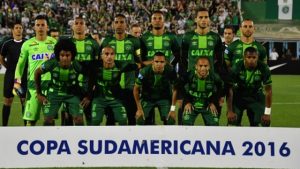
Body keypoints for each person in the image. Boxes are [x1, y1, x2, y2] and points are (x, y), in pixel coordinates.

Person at [181, 7, 225, 125]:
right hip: (190, 85)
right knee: (184, 126)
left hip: (211, 87)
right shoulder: (187, 37)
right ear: (196, 19)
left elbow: (220, 63)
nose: (204, 20)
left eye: (206, 17)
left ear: (209, 19)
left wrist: (220, 94)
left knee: (213, 127)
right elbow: (182, 61)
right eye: (201, 17)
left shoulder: (215, 38)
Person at [34, 39, 90, 126]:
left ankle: (78, 139)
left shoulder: (76, 65)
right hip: (54, 93)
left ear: (72, 56)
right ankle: (50, 139)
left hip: (72, 94)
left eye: (67, 55)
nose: (64, 58)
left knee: (78, 120)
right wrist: (39, 93)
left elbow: (89, 75)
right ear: (58, 55)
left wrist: (87, 95)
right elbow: (37, 72)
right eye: (62, 55)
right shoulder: (52, 63)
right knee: (48, 120)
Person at [14, 15, 57, 126]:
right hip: (33, 86)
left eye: (43, 25)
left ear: (47, 27)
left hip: (51, 86)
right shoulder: (27, 44)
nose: (40, 27)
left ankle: (49, 142)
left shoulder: (54, 43)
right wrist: (17, 82)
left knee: (50, 120)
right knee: (30, 121)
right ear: (34, 27)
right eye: (38, 25)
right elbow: (20, 65)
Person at [140, 10, 181, 125]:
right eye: (154, 18)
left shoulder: (171, 37)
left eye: (160, 18)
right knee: (146, 120)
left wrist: (170, 65)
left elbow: (178, 55)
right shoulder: (144, 38)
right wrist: (148, 64)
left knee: (168, 119)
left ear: (164, 21)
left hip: (166, 83)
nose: (157, 21)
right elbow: (141, 59)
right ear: (150, 21)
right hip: (148, 82)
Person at [101, 14, 142, 125]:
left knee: (131, 117)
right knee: (110, 118)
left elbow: (139, 63)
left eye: (122, 22)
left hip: (130, 87)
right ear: (113, 24)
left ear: (126, 24)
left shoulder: (134, 42)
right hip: (111, 87)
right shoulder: (106, 42)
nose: (119, 25)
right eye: (117, 22)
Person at [90, 46, 139, 125]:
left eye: (112, 54)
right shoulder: (95, 66)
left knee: (123, 121)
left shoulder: (120, 65)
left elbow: (136, 66)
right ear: (101, 56)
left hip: (115, 99)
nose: (109, 56)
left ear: (115, 56)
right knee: (95, 121)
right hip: (99, 99)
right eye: (106, 54)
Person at [227, 47, 272, 127]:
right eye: (249, 57)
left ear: (257, 57)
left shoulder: (264, 68)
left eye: (254, 57)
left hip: (256, 97)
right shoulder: (236, 67)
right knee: (232, 122)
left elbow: (268, 91)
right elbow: (229, 89)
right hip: (239, 96)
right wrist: (230, 111)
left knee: (264, 122)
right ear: (244, 57)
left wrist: (267, 113)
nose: (251, 60)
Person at [70, 14, 100, 125]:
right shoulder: (68, 43)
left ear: (85, 26)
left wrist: (94, 86)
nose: (78, 26)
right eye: (76, 23)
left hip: (89, 87)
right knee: (75, 119)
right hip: (72, 87)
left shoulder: (93, 44)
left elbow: (97, 67)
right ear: (72, 27)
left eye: (81, 23)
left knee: (91, 119)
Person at [134, 52, 177, 125]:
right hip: (147, 98)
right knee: (140, 119)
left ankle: (167, 136)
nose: (159, 64)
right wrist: (139, 108)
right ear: (153, 62)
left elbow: (175, 89)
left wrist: (172, 109)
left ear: (165, 63)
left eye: (161, 62)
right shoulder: (144, 71)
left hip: (164, 98)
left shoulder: (171, 71)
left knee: (170, 120)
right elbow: (136, 89)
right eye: (156, 61)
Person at [181, 57, 223, 126]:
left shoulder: (214, 76)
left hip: (207, 105)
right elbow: (180, 86)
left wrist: (213, 102)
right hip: (192, 104)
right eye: (200, 66)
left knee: (214, 124)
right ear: (196, 66)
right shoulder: (189, 75)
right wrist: (187, 102)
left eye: (205, 66)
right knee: (186, 123)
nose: (203, 68)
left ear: (209, 67)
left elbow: (220, 88)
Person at [0, 21, 27, 126]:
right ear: (13, 30)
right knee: (8, 100)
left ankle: (27, 127)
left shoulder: (27, 43)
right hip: (10, 76)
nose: (19, 29)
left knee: (24, 100)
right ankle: (4, 127)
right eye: (16, 27)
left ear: (22, 30)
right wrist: (9, 68)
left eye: (20, 27)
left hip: (23, 76)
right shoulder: (7, 43)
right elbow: (1, 58)